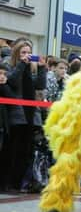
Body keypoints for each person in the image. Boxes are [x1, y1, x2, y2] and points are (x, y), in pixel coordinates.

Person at [3, 40, 47, 191]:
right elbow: (13, 81)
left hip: (30, 116)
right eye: (23, 52)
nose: (27, 55)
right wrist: (22, 64)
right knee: (13, 151)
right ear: (17, 54)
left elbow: (40, 85)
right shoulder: (9, 67)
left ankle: (18, 183)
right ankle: (8, 182)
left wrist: (42, 69)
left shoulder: (31, 70)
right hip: (16, 115)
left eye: (29, 52)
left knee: (25, 152)